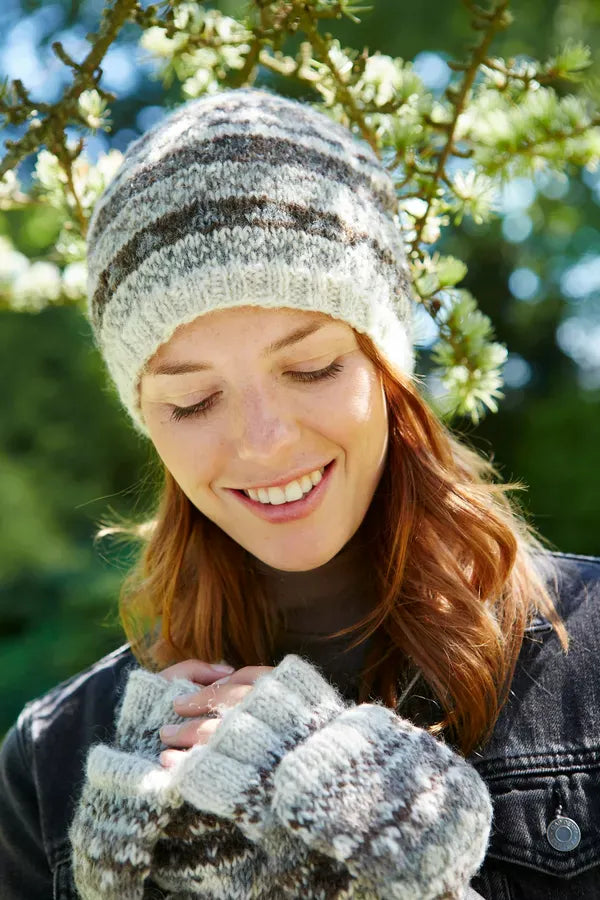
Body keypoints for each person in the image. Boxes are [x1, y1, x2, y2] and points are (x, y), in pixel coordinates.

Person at [0, 87, 598, 900]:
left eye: (310, 368)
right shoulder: (52, 757)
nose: (262, 440)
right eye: (192, 402)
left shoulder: (588, 664)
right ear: (147, 420)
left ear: (387, 369)